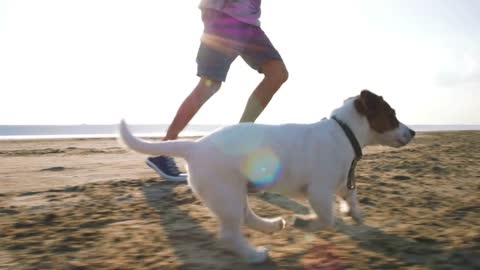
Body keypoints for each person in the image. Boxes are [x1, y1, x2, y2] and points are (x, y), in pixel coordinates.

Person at [146, 0, 289, 181]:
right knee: (209, 85)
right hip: (224, 19)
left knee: (277, 74)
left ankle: (240, 136)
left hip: (250, 25)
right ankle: (165, 149)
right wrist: (210, 13)